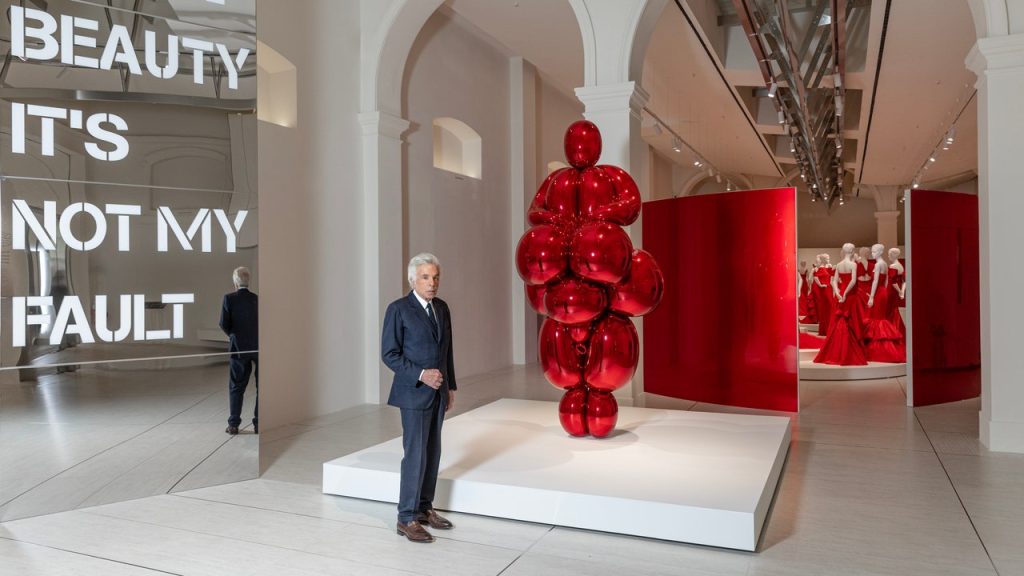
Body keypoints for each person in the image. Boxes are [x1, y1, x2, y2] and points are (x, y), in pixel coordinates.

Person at [382, 253, 457, 544]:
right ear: (412, 279)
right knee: (415, 454)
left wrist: (450, 386)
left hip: (438, 392)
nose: (432, 282)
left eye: (436, 277)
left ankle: (424, 508)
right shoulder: (398, 309)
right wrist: (422, 374)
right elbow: (389, 354)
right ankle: (406, 517)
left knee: (433, 451)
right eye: (426, 277)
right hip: (413, 393)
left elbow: (447, 351)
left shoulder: (442, 308)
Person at [814, 243, 868, 366]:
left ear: (843, 251)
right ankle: (848, 351)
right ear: (852, 251)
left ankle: (837, 350)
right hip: (850, 295)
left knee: (840, 320)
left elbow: (833, 281)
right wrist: (845, 294)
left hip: (842, 292)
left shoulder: (839, 265)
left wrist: (838, 293)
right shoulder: (853, 264)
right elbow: (853, 281)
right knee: (852, 321)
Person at [220, 266, 258, 435]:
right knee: (261, 387)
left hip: (238, 348)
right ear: (248, 281)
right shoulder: (256, 299)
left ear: (235, 282)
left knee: (236, 386)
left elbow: (223, 323)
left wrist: (234, 336)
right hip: (258, 347)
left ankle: (234, 424)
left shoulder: (229, 299)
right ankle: (259, 424)